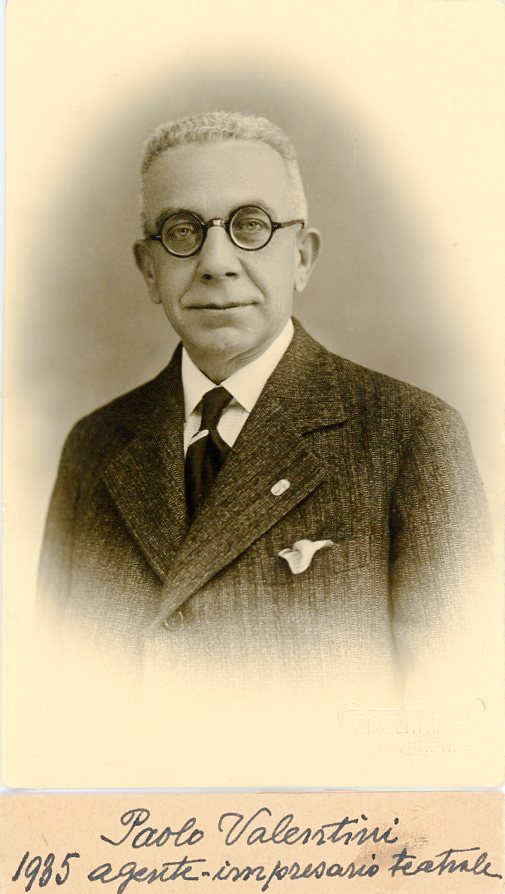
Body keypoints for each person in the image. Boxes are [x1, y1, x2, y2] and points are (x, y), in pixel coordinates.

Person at [38, 111, 489, 696]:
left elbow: (451, 708)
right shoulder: (93, 446)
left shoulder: (411, 434)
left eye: (250, 225)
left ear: (301, 257)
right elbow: (49, 698)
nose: (216, 263)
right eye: (181, 230)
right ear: (149, 270)